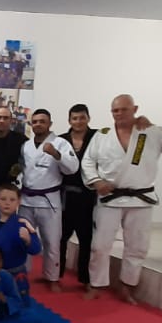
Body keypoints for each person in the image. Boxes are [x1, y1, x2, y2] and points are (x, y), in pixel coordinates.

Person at [82, 94, 162, 304]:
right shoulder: (102, 135)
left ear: (135, 109)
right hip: (110, 198)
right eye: (115, 110)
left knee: (137, 246)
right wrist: (96, 181)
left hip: (141, 199)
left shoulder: (152, 132)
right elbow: (88, 161)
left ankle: (127, 286)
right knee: (100, 245)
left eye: (124, 109)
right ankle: (96, 284)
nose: (119, 113)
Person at [19, 109, 79, 293]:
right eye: (35, 121)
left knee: (52, 241)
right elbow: (21, 170)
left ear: (50, 124)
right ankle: (22, 274)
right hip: (26, 200)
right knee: (23, 239)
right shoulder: (26, 146)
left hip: (49, 201)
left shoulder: (60, 143)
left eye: (42, 121)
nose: (38, 124)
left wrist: (56, 154)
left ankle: (52, 278)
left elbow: (73, 168)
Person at [0, 184, 40, 299]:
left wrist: (28, 240)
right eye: (3, 199)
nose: (7, 203)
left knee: (18, 304)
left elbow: (36, 249)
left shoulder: (23, 223)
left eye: (12, 200)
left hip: (15, 272)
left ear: (18, 202)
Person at [59, 103, 97, 288]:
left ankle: (85, 278)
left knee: (86, 238)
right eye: (75, 118)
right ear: (69, 120)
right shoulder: (61, 140)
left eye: (82, 117)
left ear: (88, 118)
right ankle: (56, 275)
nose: (79, 121)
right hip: (65, 195)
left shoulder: (98, 137)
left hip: (88, 195)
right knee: (61, 237)